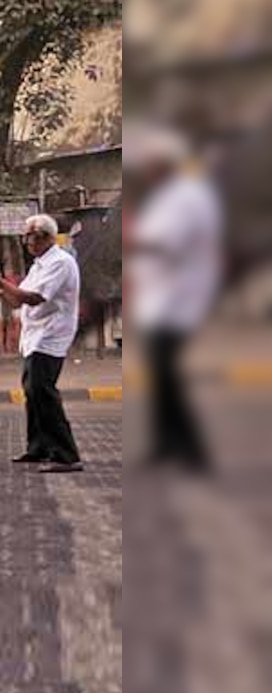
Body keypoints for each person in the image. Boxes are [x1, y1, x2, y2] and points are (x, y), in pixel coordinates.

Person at [126, 125, 221, 472]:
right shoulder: (165, 198)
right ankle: (166, 443)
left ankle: (193, 450)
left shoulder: (187, 197)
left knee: (168, 372)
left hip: (180, 299)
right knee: (161, 373)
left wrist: (135, 244)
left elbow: (169, 245)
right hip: (161, 299)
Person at [0, 214, 84, 474]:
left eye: (29, 236)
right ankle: (39, 447)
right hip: (35, 336)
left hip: (51, 336)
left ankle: (66, 454)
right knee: (32, 392)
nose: (25, 242)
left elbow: (35, 298)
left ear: (46, 236)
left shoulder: (61, 263)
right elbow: (17, 300)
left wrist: (0, 282)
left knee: (43, 392)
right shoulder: (39, 266)